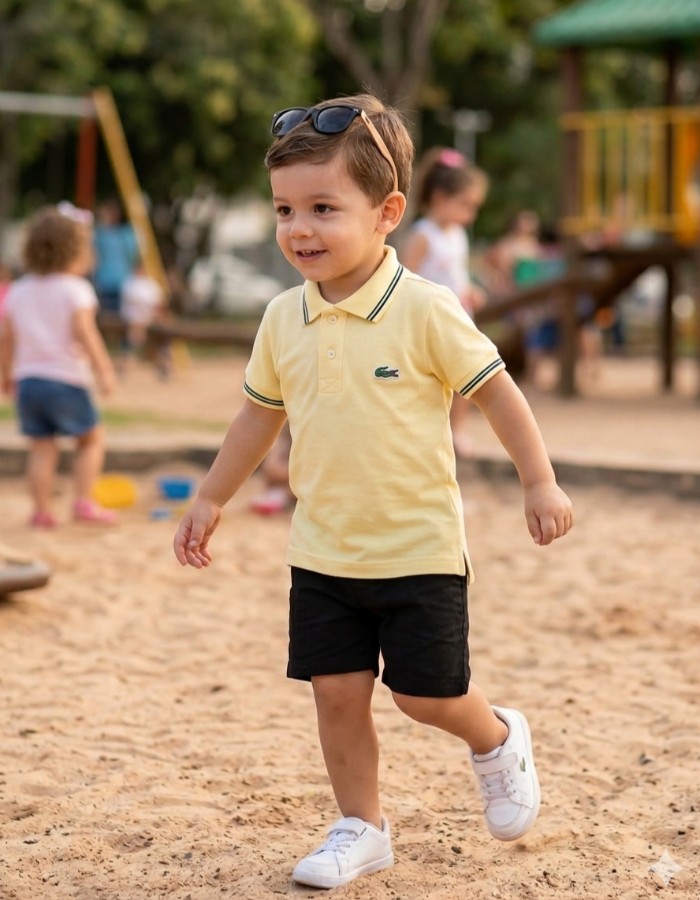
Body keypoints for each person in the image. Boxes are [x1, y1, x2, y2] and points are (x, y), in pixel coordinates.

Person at [173, 94, 573, 890]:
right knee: (337, 697)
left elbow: (496, 391)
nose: (300, 230)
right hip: (322, 549)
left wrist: (539, 479)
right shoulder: (283, 318)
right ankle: (363, 826)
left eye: (324, 208)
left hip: (417, 547)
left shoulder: (425, 307)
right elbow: (257, 418)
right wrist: (212, 496)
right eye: (286, 210)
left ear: (388, 212)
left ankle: (495, 737)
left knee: (426, 697)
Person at [0, 203, 118, 527]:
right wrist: (104, 370)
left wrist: (6, 376)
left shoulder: (18, 291)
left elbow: (7, 339)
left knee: (41, 448)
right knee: (90, 439)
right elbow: (87, 334)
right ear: (75, 251)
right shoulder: (75, 289)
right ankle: (83, 502)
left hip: (28, 382)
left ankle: (40, 511)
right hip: (65, 379)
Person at [401, 148, 489, 456]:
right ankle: (425, 433)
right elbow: (406, 278)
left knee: (465, 374)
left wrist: (470, 289)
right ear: (440, 197)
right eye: (464, 205)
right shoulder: (423, 235)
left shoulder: (457, 235)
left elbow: (458, 273)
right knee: (429, 380)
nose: (470, 214)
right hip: (429, 319)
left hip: (459, 314)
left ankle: (457, 431)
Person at [118, 258, 169, 377]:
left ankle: (161, 361)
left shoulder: (150, 283)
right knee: (137, 328)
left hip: (149, 317)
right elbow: (136, 303)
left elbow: (158, 303)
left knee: (162, 327)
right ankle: (127, 361)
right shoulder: (130, 283)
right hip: (135, 318)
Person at [92, 198, 139, 313]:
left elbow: (134, 257)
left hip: (122, 282)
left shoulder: (127, 233)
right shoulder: (100, 233)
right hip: (102, 282)